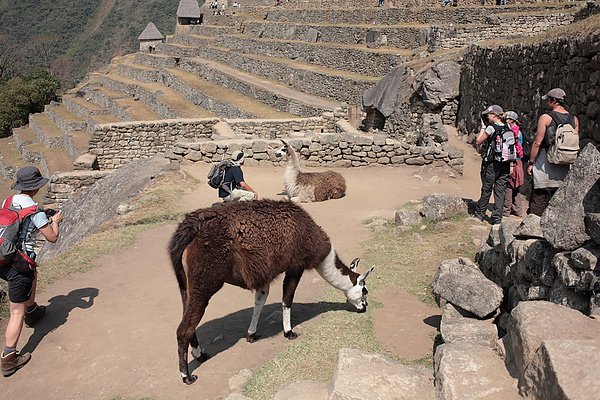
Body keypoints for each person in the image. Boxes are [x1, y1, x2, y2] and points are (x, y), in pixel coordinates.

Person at [1, 166, 63, 377]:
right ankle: (9, 358)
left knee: (32, 274)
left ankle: (32, 310)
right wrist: (54, 222)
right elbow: (51, 238)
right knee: (15, 312)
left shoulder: (8, 201)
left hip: (3, 257)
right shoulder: (35, 210)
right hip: (20, 263)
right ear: (36, 187)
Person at [527, 88, 579, 216]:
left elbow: (537, 142)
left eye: (548, 100)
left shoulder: (545, 118)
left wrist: (531, 162)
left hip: (545, 163)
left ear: (553, 101)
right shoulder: (574, 119)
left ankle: (534, 228)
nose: (547, 103)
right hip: (565, 164)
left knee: (539, 196)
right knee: (558, 200)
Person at [473, 105, 511, 224]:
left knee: (487, 188)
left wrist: (483, 128)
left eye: (488, 115)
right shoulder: (507, 127)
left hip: (492, 163)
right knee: (500, 190)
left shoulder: (491, 128)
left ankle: (480, 214)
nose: (487, 117)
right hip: (505, 162)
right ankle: (497, 218)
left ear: (494, 115)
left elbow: (478, 140)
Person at [503, 111, 525, 217]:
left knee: (509, 185)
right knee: (516, 187)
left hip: (512, 161)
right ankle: (518, 210)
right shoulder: (519, 132)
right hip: (519, 160)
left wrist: (510, 165)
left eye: (507, 119)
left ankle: (506, 210)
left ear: (511, 120)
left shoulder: (512, 132)